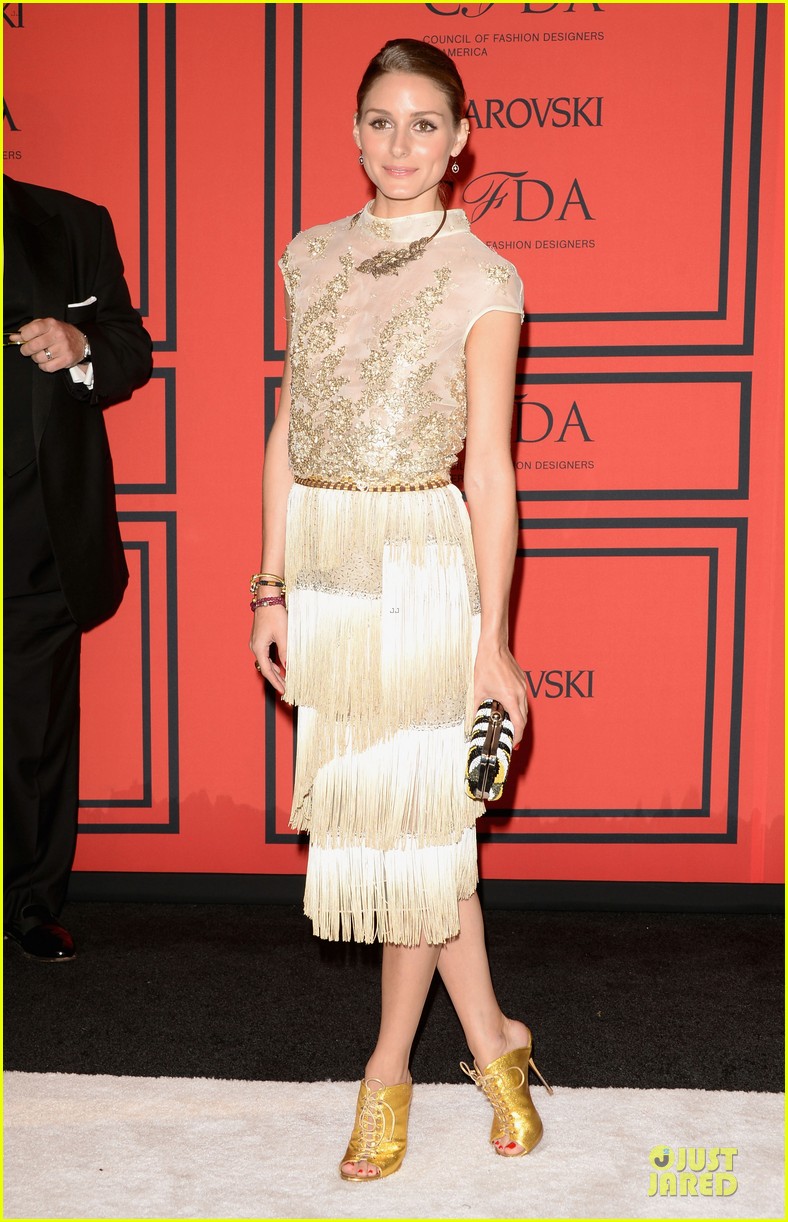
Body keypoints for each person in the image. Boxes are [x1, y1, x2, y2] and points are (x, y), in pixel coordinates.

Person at [250, 39, 551, 1179]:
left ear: (462, 138)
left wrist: (495, 642)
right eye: (380, 120)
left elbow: (492, 469)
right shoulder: (309, 256)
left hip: (421, 564)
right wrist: (268, 582)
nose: (400, 145)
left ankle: (385, 1071)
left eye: (425, 124)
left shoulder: (484, 276)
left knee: (412, 839)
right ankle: (494, 1043)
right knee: (413, 832)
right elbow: (288, 427)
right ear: (353, 128)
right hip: (323, 566)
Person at [3, 175, 153, 962]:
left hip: (32, 530)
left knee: (33, 730)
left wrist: (82, 344)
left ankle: (29, 902)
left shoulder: (69, 223)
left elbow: (132, 350)